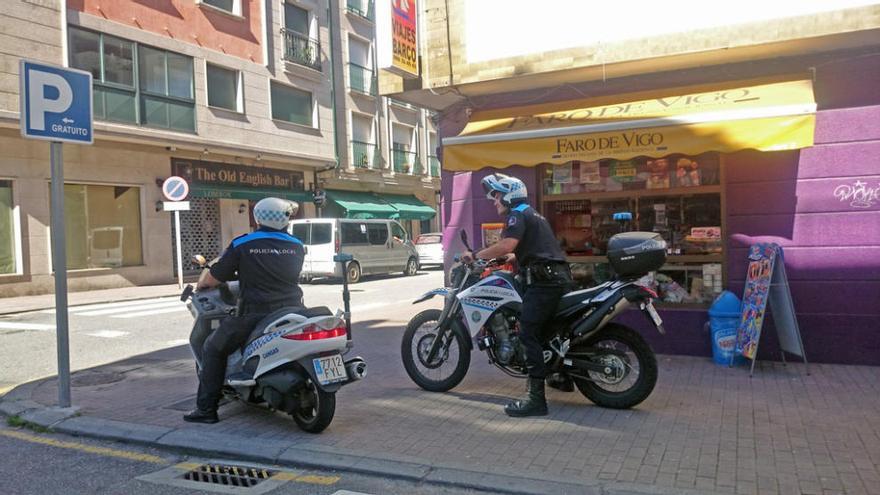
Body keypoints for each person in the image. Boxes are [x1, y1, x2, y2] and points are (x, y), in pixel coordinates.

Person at [184, 197, 305, 424]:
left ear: (257, 217)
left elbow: (215, 277)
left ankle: (206, 410)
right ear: (286, 219)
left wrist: (202, 285)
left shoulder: (244, 243)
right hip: (293, 309)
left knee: (213, 347)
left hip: (255, 313)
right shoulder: (296, 245)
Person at [462, 173, 573, 417]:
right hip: (556, 279)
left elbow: (507, 245)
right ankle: (561, 376)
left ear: (510, 194)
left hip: (544, 283)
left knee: (528, 332)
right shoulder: (533, 214)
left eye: (498, 195)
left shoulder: (517, 214)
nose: (494, 201)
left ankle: (536, 401)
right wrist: (500, 259)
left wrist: (476, 255)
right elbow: (518, 253)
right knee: (550, 331)